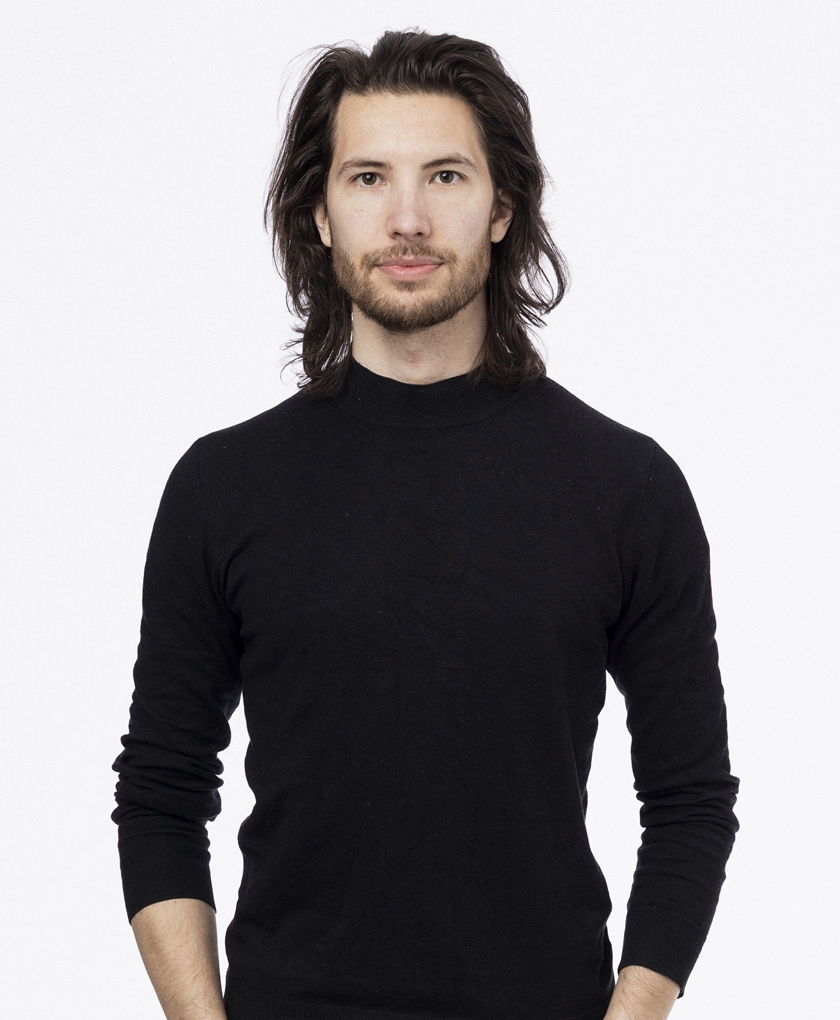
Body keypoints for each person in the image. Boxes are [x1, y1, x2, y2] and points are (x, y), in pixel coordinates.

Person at [112, 29, 739, 1020]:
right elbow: (160, 792)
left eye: (446, 175)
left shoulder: (628, 488)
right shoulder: (222, 487)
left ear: (503, 207)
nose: (407, 218)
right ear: (321, 214)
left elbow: (690, 799)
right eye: (368, 178)